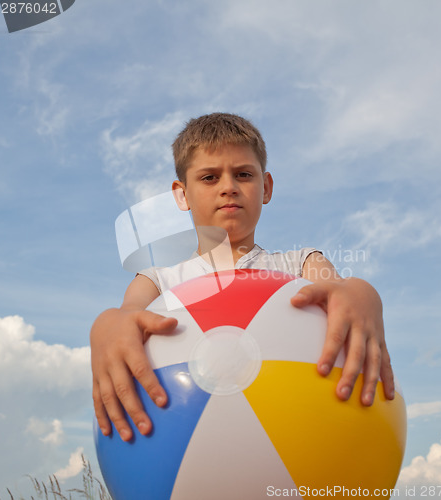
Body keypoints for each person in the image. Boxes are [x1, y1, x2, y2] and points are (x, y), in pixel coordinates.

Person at [91, 113, 394, 442]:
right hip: (187, 438)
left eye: (243, 175)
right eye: (209, 178)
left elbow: (340, 289)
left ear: (265, 187)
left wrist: (364, 293)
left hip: (301, 432)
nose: (228, 188)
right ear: (182, 195)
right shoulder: (158, 280)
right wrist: (105, 325)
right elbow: (127, 314)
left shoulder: (301, 264)